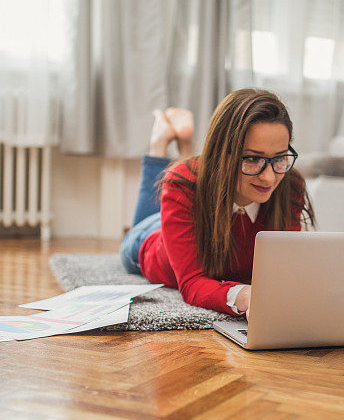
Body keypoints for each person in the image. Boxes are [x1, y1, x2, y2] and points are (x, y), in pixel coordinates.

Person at [120, 88, 315, 317]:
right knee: (156, 206)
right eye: (253, 159)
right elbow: (192, 283)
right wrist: (245, 296)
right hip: (149, 242)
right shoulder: (182, 185)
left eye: (280, 158)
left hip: (194, 199)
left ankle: (184, 145)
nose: (269, 177)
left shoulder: (290, 186)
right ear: (223, 152)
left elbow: (282, 272)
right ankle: (159, 143)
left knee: (186, 176)